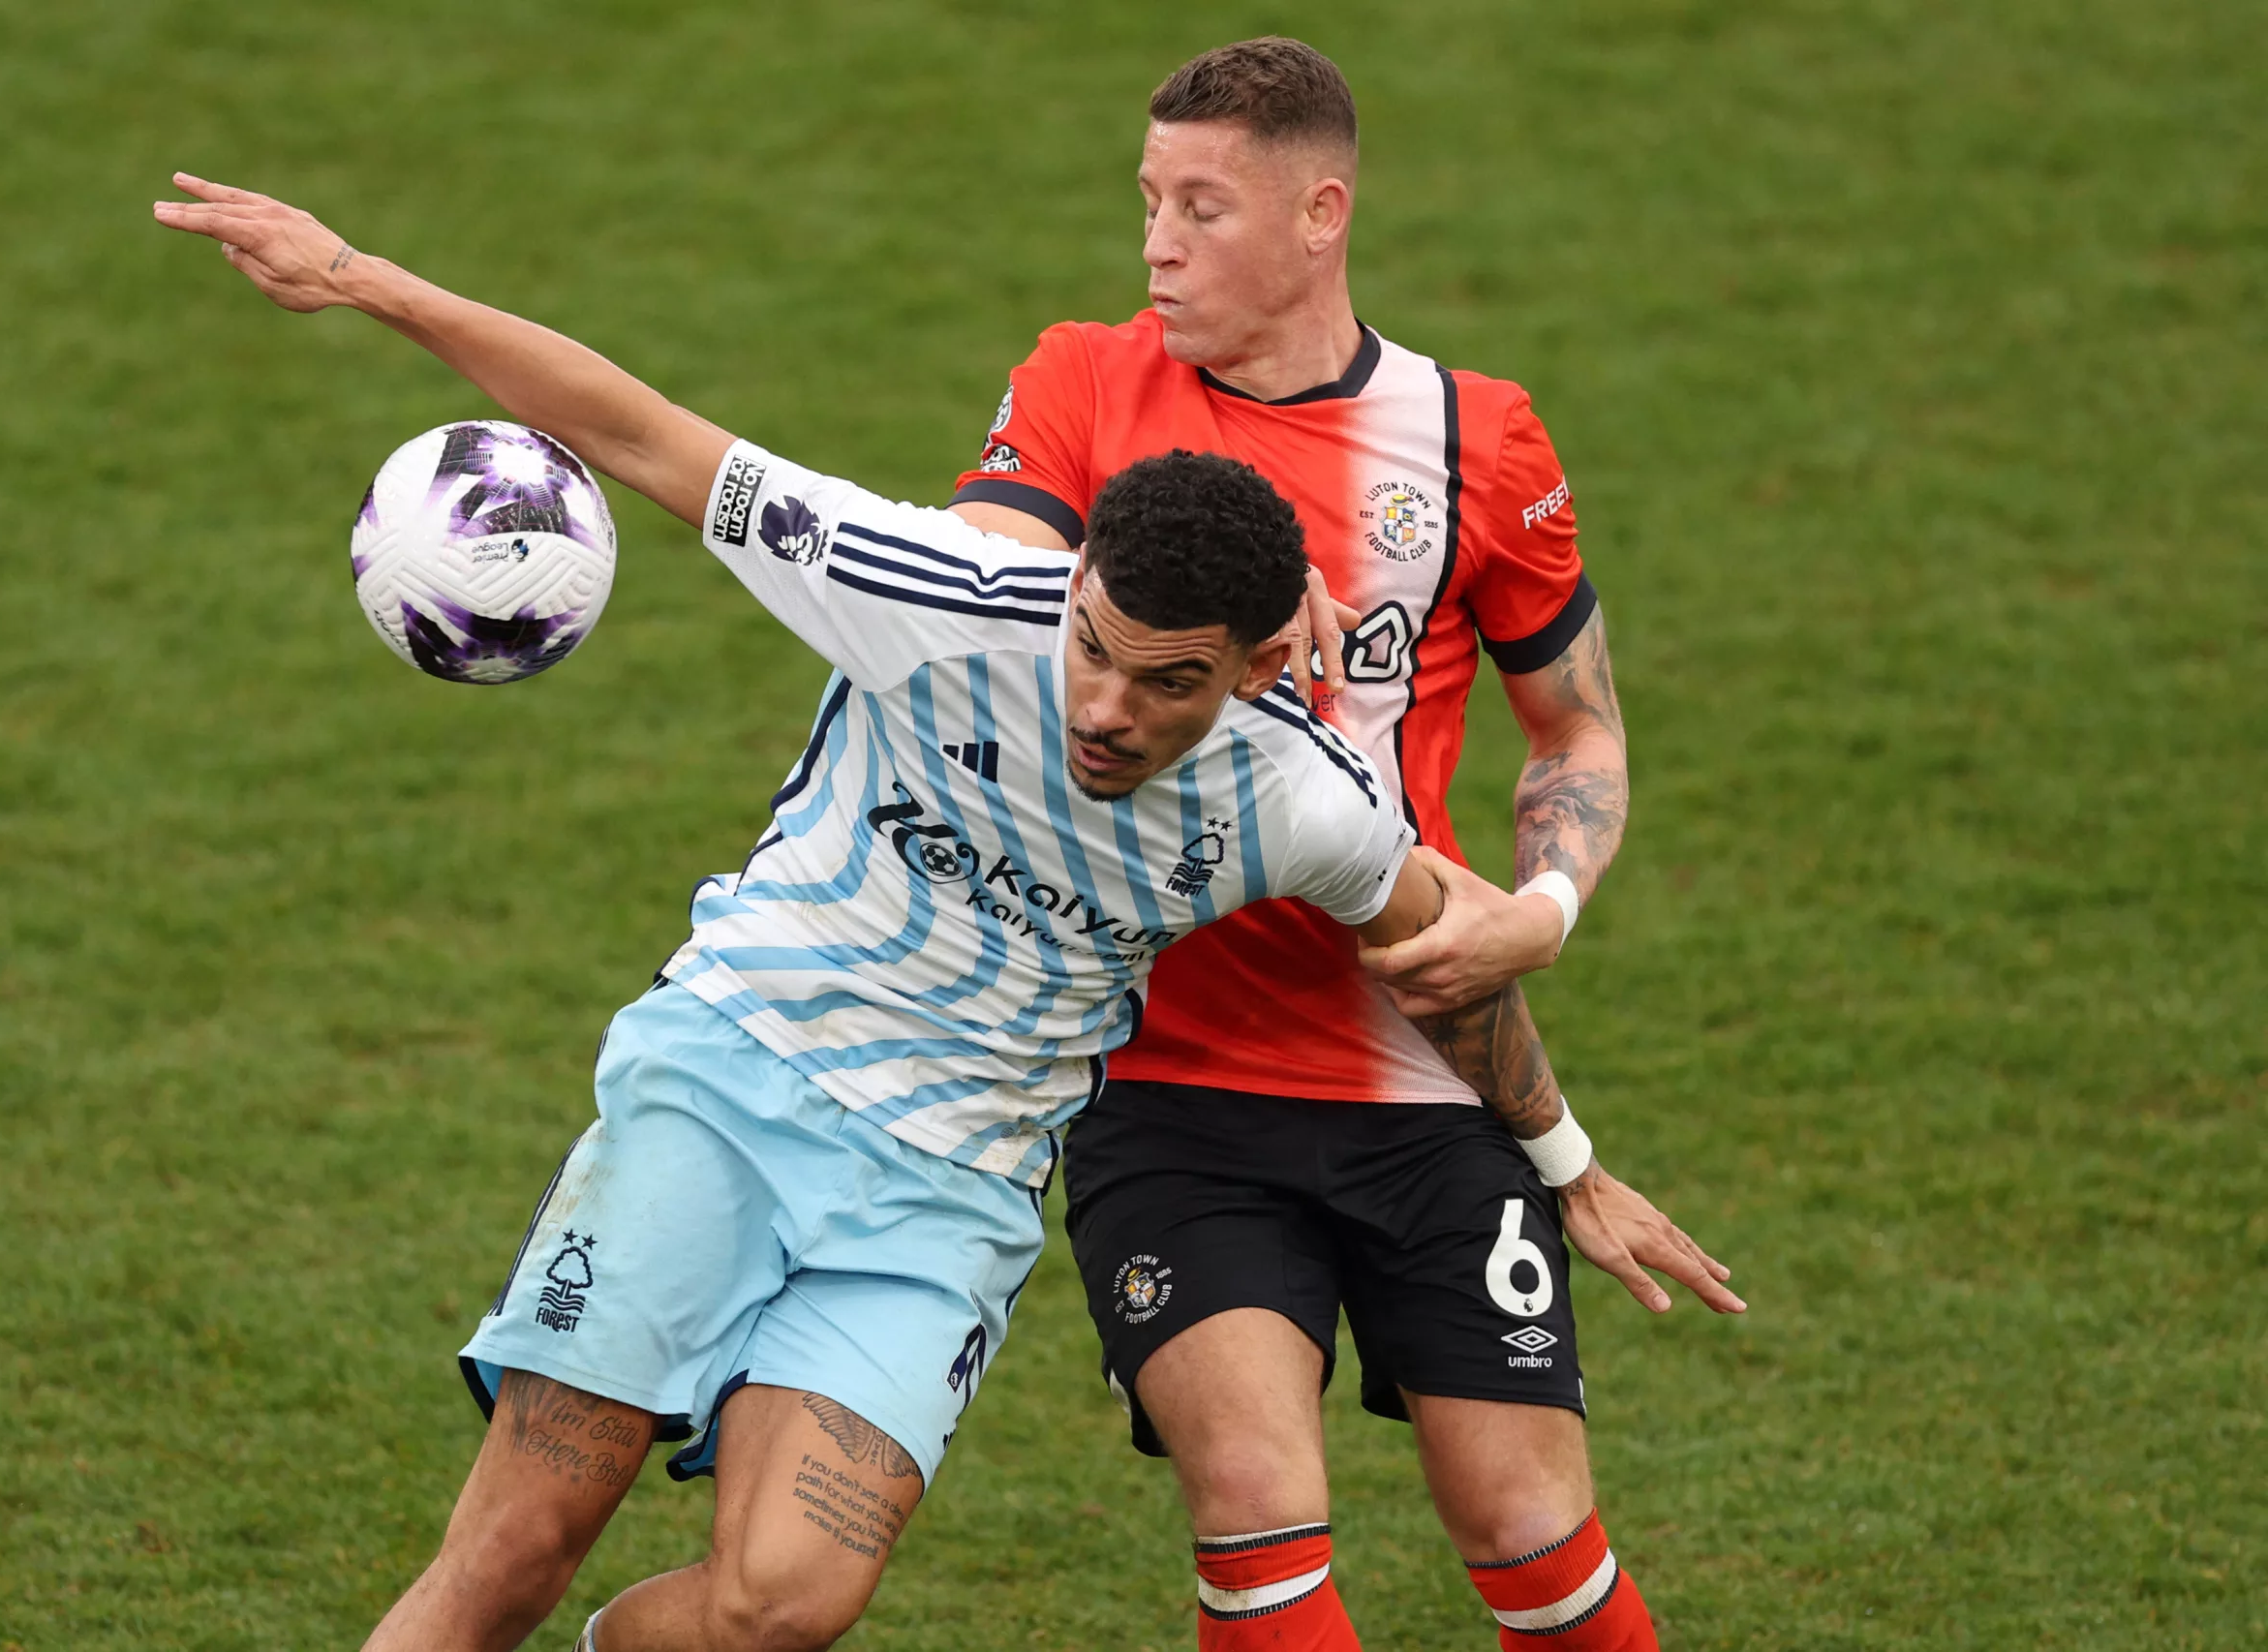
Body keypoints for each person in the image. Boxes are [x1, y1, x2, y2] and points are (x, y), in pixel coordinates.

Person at [150, 172, 1668, 1652]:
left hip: (945, 1198)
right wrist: (361, 277)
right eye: (1093, 646)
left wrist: (1564, 1159)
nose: (1105, 708)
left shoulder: (1307, 797)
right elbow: (637, 431)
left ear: (1259, 671)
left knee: (781, 1605)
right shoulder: (930, 589)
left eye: (1167, 682)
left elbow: (1443, 956)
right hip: (734, 1087)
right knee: (508, 1561)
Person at [946, 38, 1746, 1652]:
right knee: (1258, 1504)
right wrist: (1201, 569)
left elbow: (1575, 732)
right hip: (1167, 1086)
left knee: (1534, 1531)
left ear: (1321, 215)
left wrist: (1546, 903)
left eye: (1202, 207)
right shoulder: (1088, 379)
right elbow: (971, 587)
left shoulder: (1476, 441)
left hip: (1422, 1069)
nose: (1156, 243)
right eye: (1148, 201)